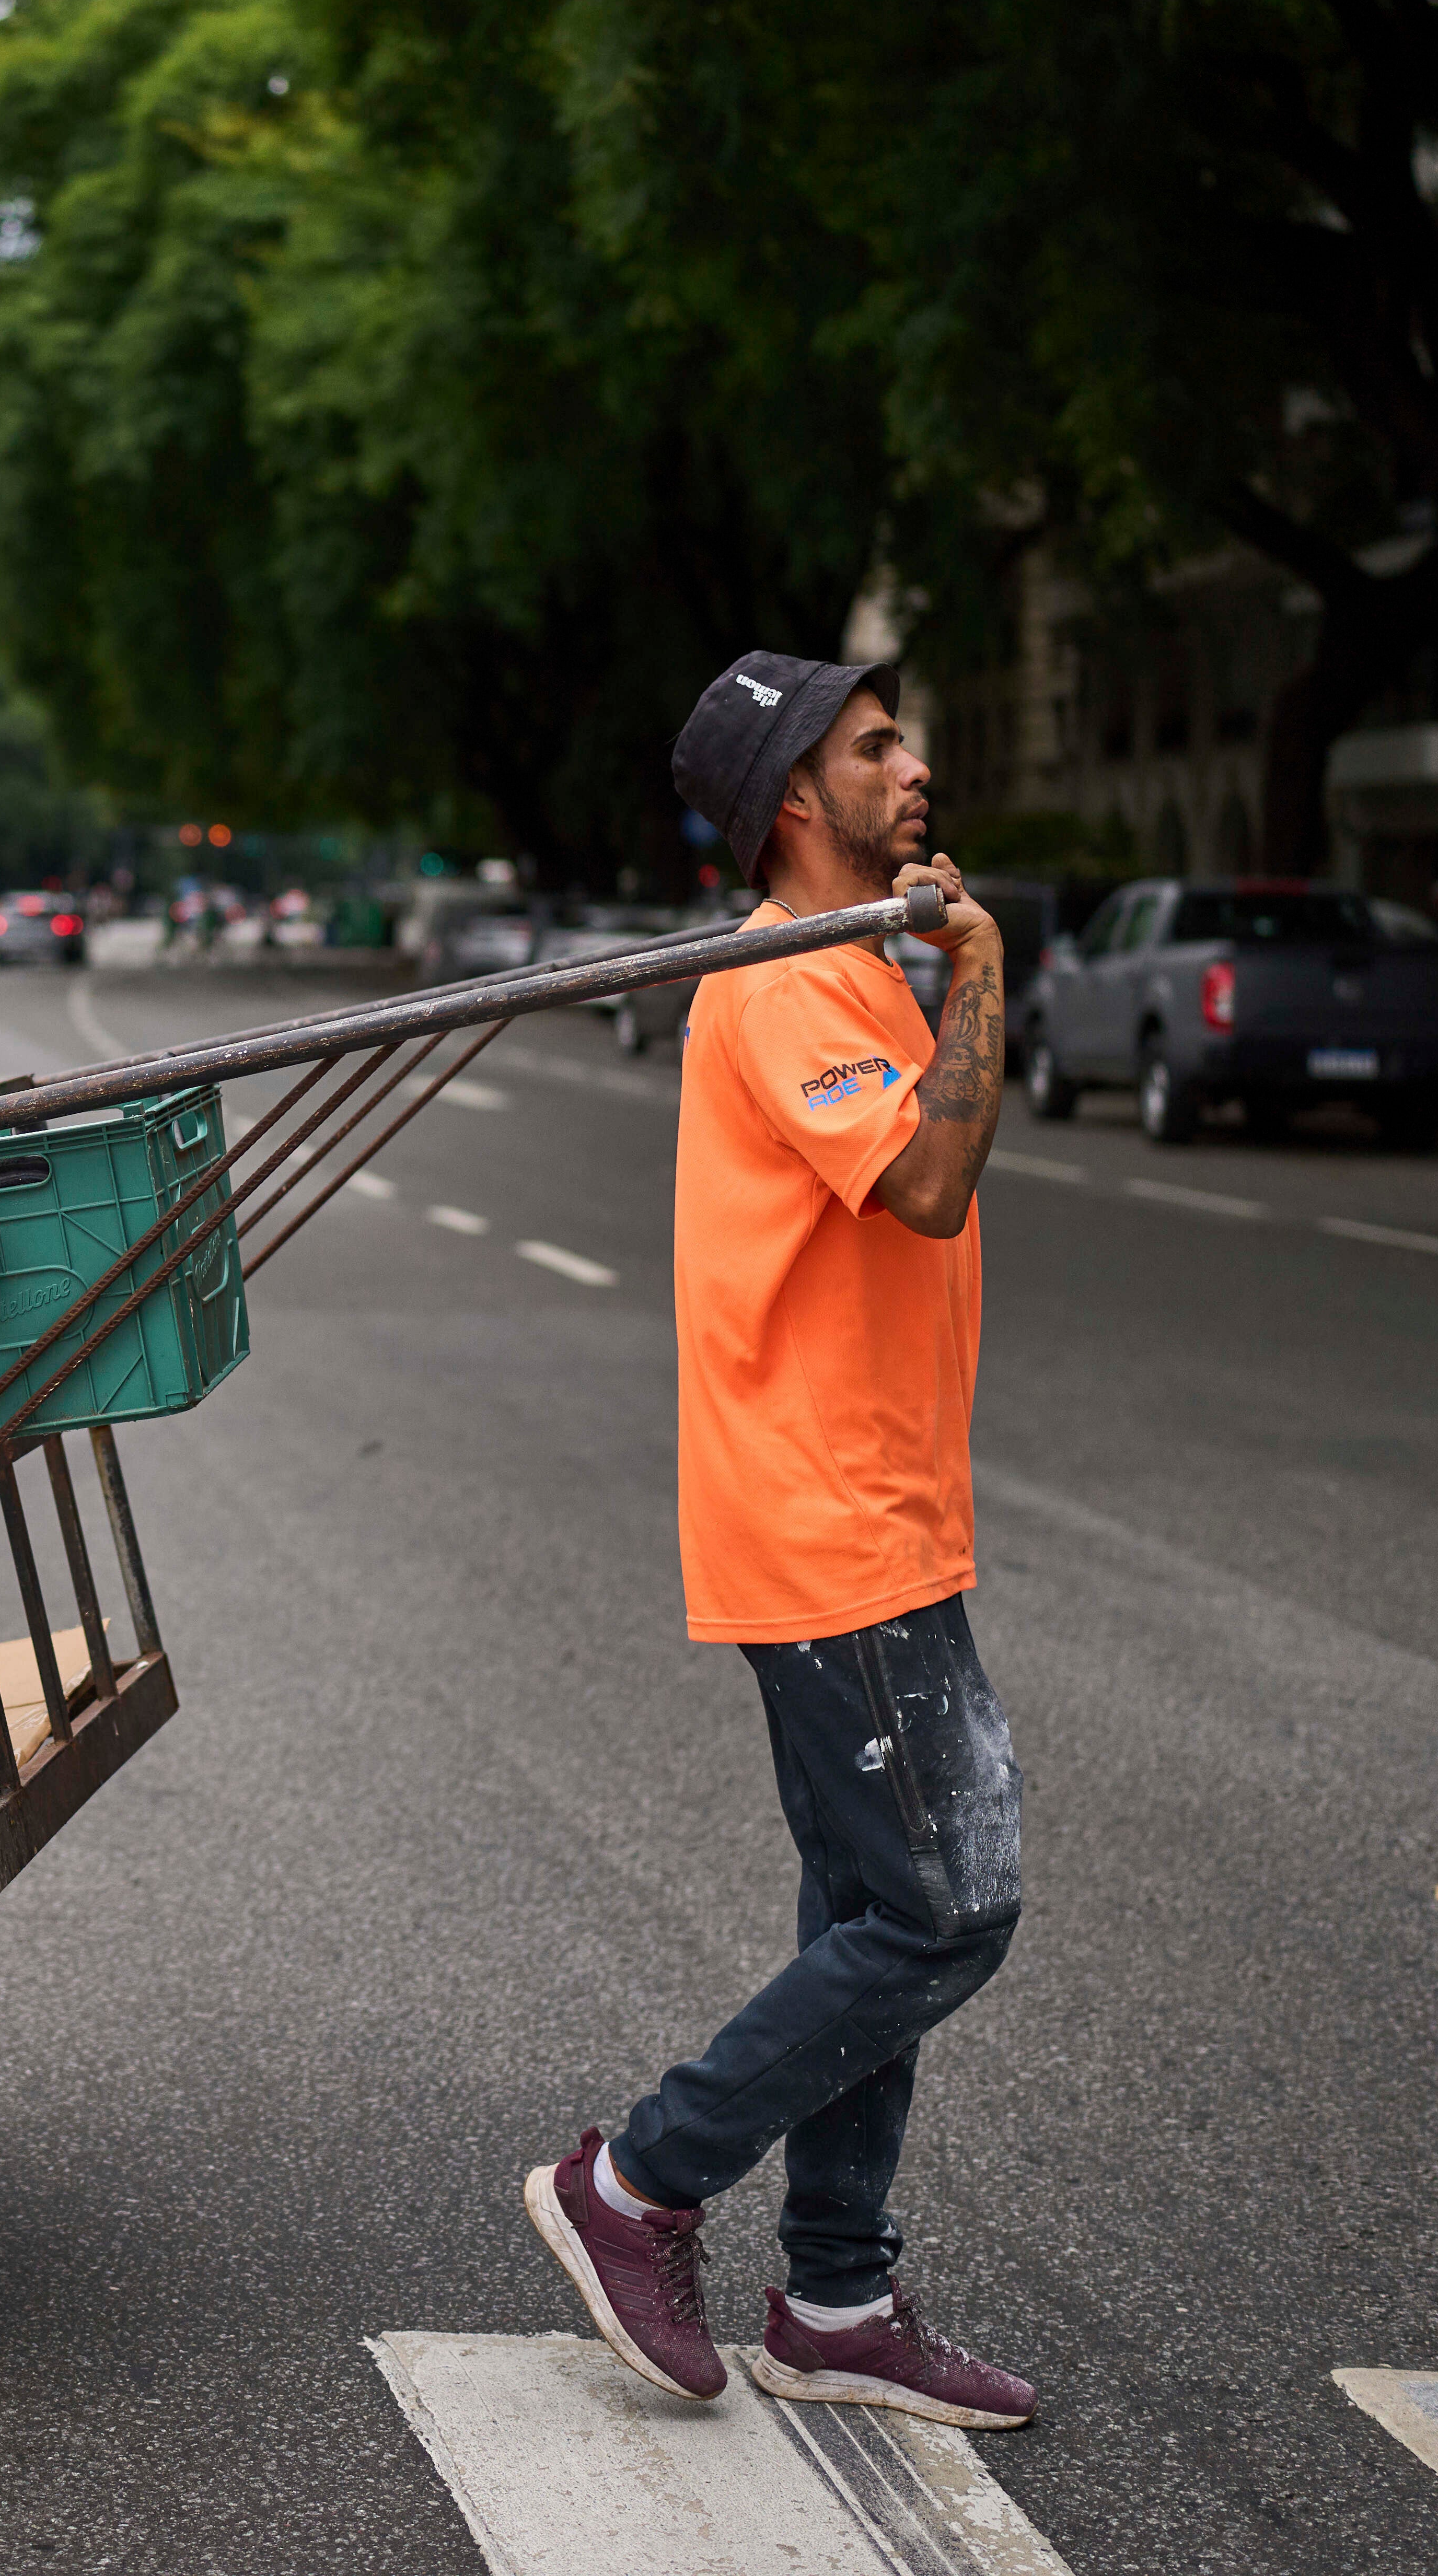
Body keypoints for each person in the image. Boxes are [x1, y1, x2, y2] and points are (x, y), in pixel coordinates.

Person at [521, 652, 1036, 2430]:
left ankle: (833, 2295)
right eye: (877, 747)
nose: (916, 768)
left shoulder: (847, 968)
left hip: (879, 1507)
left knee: (868, 1905)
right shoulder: (790, 986)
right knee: (949, 1906)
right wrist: (981, 973)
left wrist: (935, 969)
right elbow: (926, 1182)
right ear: (796, 803)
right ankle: (640, 2185)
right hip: (831, 1528)